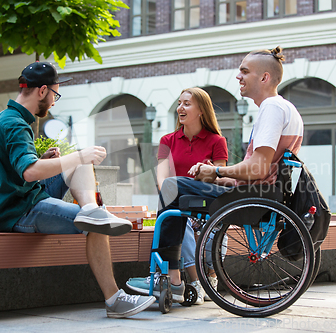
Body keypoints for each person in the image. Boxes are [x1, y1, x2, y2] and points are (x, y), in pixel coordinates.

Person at [0, 61, 155, 318]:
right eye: (55, 94)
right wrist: (76, 156)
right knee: (95, 218)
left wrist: (46, 159)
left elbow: (14, 169)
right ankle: (114, 300)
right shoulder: (16, 124)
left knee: (81, 169)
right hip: (20, 210)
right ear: (42, 91)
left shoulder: (3, 119)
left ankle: (90, 210)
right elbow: (29, 171)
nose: (54, 101)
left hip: (20, 197)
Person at [129, 46, 304, 295]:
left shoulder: (272, 108)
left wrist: (217, 174)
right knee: (174, 190)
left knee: (172, 186)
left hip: (253, 196)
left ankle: (169, 279)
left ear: (264, 77)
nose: (238, 77)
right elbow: (262, 169)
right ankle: (175, 279)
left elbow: (258, 167)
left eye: (245, 71)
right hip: (262, 194)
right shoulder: (288, 108)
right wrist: (219, 175)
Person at [126, 87, 228, 304]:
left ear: (201, 110)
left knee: (183, 217)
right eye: (180, 103)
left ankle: (183, 279)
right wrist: (169, 194)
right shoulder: (167, 140)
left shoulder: (217, 141)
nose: (180, 108)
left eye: (187, 104)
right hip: (176, 203)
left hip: (203, 203)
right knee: (176, 211)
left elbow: (220, 180)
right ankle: (186, 280)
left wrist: (207, 172)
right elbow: (161, 179)